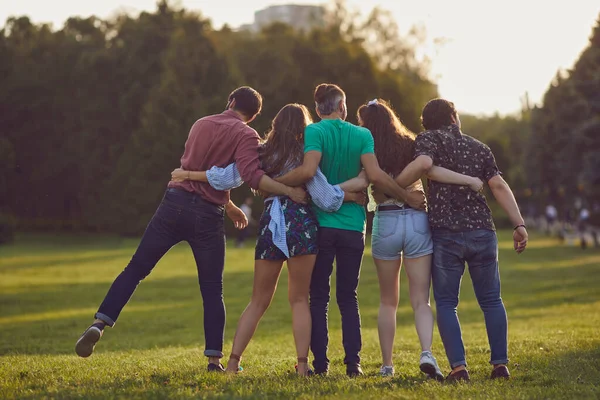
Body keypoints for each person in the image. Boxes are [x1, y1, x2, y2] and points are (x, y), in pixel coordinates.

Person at [75, 87, 307, 374]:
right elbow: (251, 176)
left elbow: (200, 170)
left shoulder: (201, 124)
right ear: (254, 115)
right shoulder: (247, 135)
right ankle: (214, 361)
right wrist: (286, 190)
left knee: (135, 269)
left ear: (231, 102)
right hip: (207, 216)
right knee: (212, 289)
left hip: (173, 204)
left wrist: (230, 205)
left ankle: (100, 322)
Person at [171, 104, 368, 376]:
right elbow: (325, 197)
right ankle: (302, 367)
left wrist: (190, 174)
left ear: (275, 123)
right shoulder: (304, 154)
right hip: (301, 225)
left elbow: (226, 177)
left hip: (270, 226)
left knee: (258, 300)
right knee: (299, 299)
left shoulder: (261, 151)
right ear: (304, 126)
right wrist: (351, 195)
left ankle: (232, 363)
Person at [275, 84, 426, 377]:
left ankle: (321, 365)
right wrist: (407, 197)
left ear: (318, 109)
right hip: (353, 226)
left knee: (318, 296)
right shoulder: (362, 134)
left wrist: (277, 181)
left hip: (320, 224)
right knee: (348, 295)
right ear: (342, 107)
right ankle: (353, 364)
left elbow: (307, 172)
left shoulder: (314, 132)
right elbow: (375, 175)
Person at [398, 98, 528, 381]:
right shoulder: (479, 147)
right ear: (454, 117)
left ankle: (459, 368)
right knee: (492, 300)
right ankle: (500, 365)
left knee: (446, 302)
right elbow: (498, 185)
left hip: (446, 233)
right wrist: (518, 224)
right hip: (482, 230)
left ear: (427, 123)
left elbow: (424, 168)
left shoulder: (427, 140)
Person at [356, 99, 483, 379]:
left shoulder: (365, 147)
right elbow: (428, 170)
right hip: (416, 219)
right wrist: (468, 179)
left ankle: (387, 366)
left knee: (388, 301)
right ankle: (426, 352)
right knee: (420, 300)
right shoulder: (411, 141)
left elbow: (364, 181)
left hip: (386, 221)